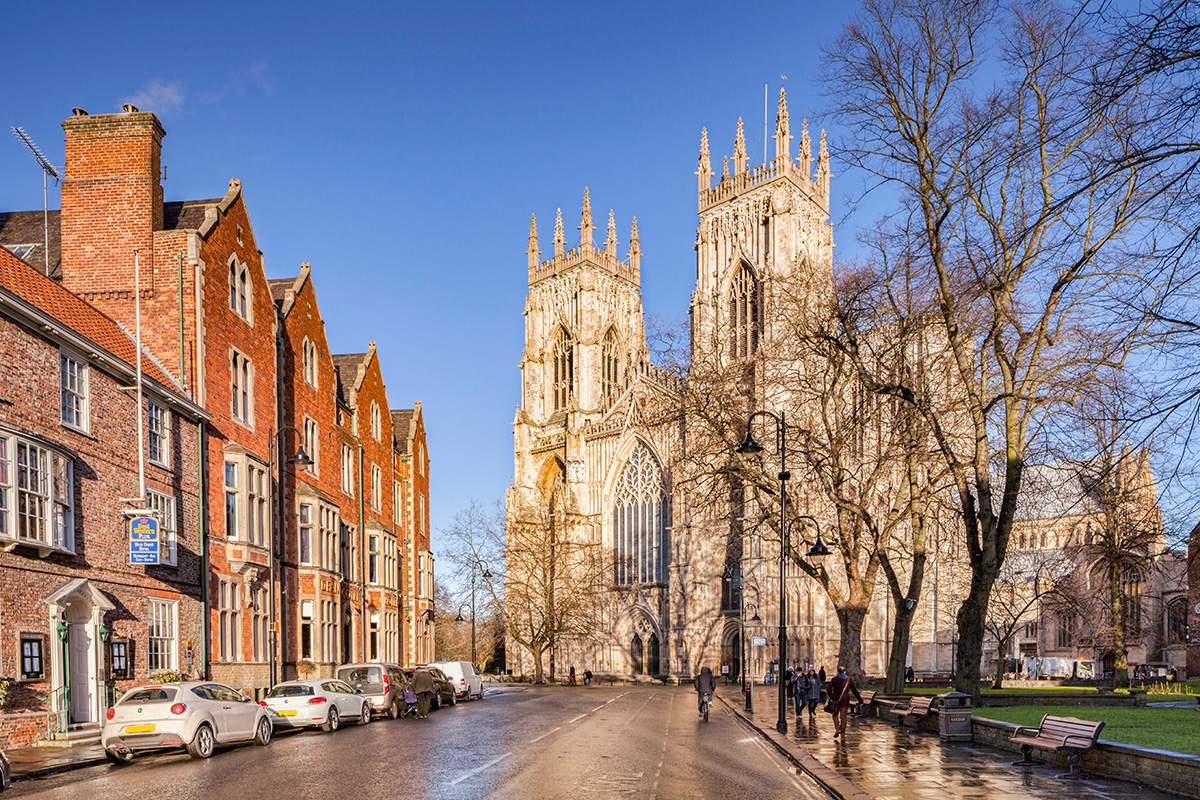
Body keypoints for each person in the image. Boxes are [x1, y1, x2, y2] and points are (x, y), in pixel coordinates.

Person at [826, 665, 863, 738]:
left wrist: (832, 697)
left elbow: (828, 689)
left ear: (838, 672)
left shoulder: (834, 679)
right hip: (845, 701)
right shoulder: (849, 680)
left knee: (835, 714)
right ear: (845, 672)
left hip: (836, 700)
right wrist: (860, 700)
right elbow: (854, 691)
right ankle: (843, 733)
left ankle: (837, 729)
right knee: (843, 717)